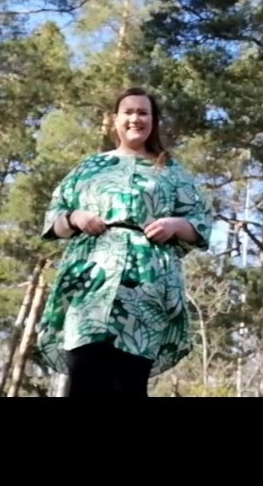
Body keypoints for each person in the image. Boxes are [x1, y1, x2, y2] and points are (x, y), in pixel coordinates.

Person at [35, 86, 213, 397]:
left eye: (143, 112)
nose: (135, 118)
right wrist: (75, 217)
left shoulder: (171, 171)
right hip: (89, 281)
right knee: (83, 375)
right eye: (128, 112)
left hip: (147, 285)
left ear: (153, 121)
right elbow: (54, 217)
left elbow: (201, 223)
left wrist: (174, 225)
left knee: (128, 381)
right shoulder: (89, 167)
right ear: (115, 119)